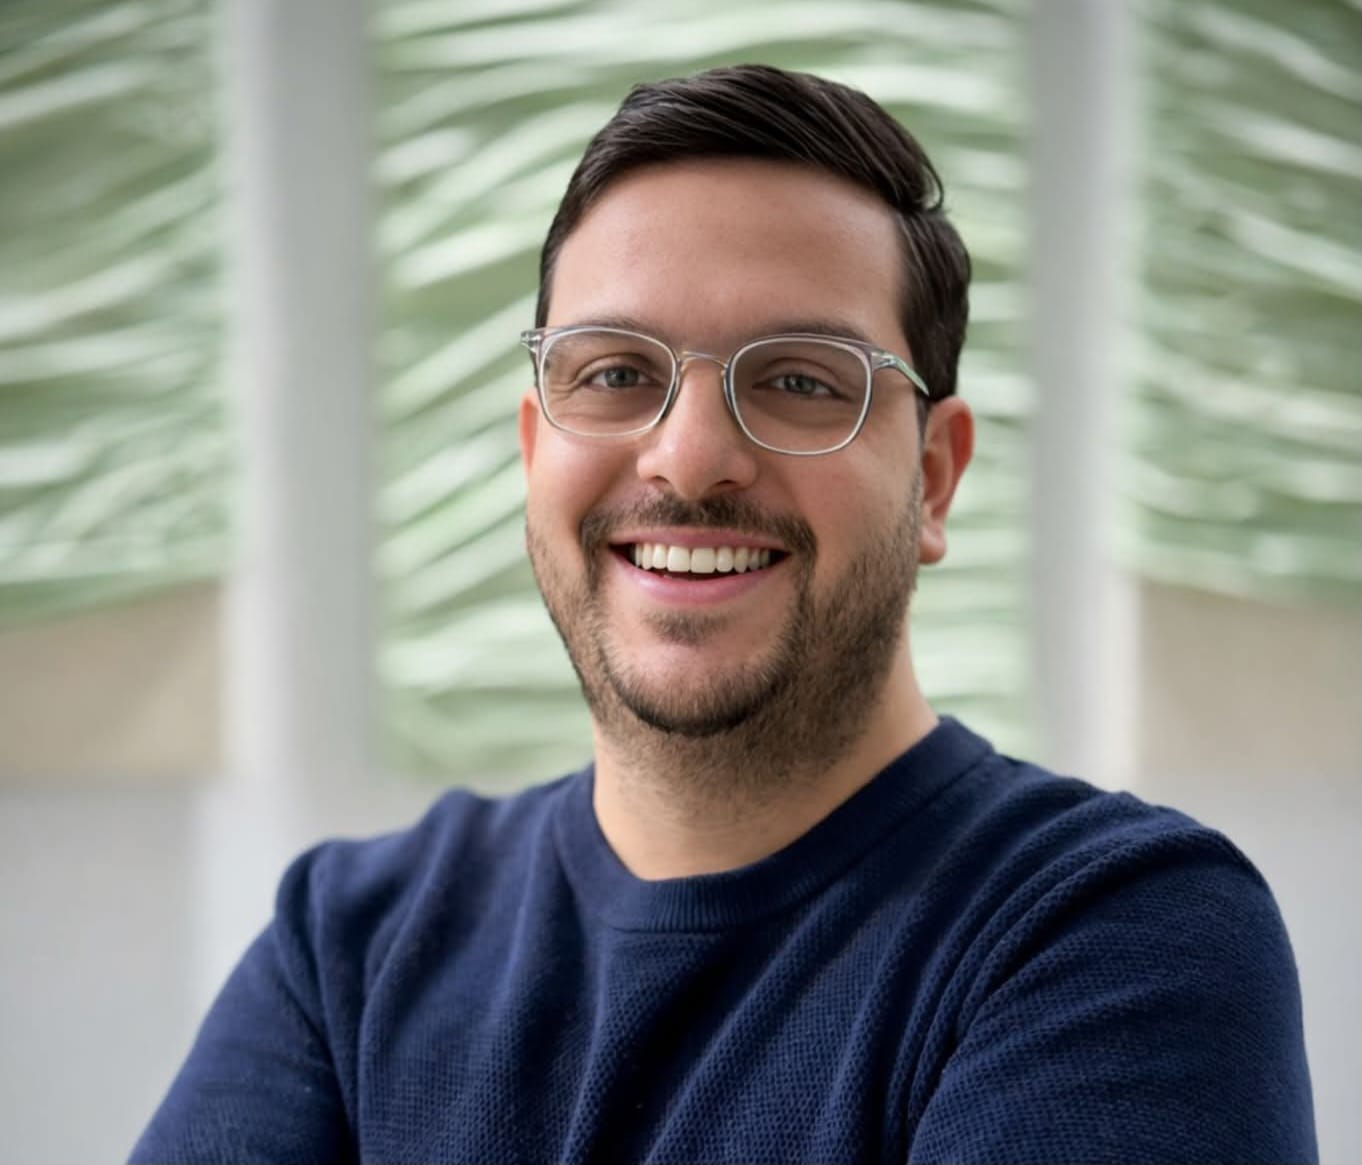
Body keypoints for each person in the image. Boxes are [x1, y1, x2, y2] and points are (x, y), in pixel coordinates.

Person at [131, 64, 1316, 1163]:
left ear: (934, 479)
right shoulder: (346, 945)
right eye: (615, 374)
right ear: (535, 450)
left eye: (801, 380)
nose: (691, 458)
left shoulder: (1115, 929)